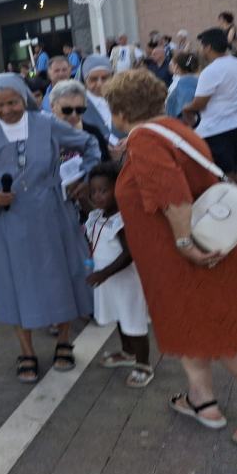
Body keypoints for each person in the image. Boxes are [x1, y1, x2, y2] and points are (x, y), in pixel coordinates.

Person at [102, 69, 237, 444]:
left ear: (118, 112)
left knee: (223, 333)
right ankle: (202, 400)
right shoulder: (175, 130)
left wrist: (185, 245)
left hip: (186, 255)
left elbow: (174, 196)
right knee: (191, 325)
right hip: (186, 255)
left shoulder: (145, 140)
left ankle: (204, 400)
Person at [0, 74, 99, 383]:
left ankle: (64, 341)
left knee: (61, 276)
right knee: (18, 284)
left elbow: (90, 143)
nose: (7, 109)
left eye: (12, 102)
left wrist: (83, 177)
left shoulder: (46, 124)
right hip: (10, 219)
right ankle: (26, 351)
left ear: (25, 98)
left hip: (53, 212)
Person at [84, 162, 152, 388]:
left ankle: (143, 365)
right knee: (120, 319)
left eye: (104, 190)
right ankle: (127, 352)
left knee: (133, 322)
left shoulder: (122, 220)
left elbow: (129, 254)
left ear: (118, 189)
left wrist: (104, 272)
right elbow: (93, 239)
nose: (98, 196)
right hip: (108, 281)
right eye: (93, 191)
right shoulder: (96, 216)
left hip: (126, 282)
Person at [182, 28, 237, 182]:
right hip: (236, 124)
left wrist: (186, 108)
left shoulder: (211, 71)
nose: (201, 50)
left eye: (201, 46)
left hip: (216, 130)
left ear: (208, 47)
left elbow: (200, 103)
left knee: (226, 175)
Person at [50, 80, 111, 162]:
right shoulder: (43, 133)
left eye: (79, 110)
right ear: (52, 107)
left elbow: (105, 166)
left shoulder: (93, 133)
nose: (73, 115)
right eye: (67, 110)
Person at [165, 51, 199, 122]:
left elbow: (182, 110)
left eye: (172, 64)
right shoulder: (196, 80)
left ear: (177, 67)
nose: (170, 66)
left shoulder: (183, 85)